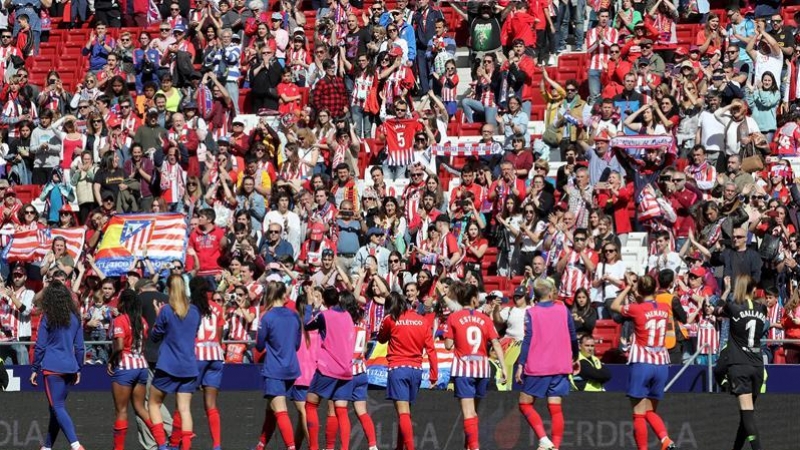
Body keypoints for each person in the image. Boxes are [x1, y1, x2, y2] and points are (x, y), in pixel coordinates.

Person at [610, 274, 677, 450]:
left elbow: (614, 305)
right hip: (662, 363)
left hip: (642, 362)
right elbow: (650, 303)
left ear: (639, 290)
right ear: (655, 289)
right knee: (650, 411)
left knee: (638, 414)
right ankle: (665, 440)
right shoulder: (663, 307)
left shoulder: (636, 309)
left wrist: (627, 288)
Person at [516, 279, 577, 450]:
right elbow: (573, 335)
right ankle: (555, 446)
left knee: (525, 403)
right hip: (560, 365)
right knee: (556, 408)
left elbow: (527, 340)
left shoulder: (531, 313)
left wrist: (521, 364)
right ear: (550, 293)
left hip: (538, 366)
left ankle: (544, 439)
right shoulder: (563, 309)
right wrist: (576, 356)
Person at [445, 281, 507, 450]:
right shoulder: (485, 319)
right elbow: (496, 344)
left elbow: (448, 345)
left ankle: (474, 447)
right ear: (473, 300)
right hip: (482, 370)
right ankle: (469, 446)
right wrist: (503, 367)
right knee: (474, 413)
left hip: (463, 369)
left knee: (468, 413)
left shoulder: (453, 317)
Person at [168, 278, 225, 450]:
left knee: (182, 403)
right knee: (211, 404)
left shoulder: (189, 308)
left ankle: (178, 443)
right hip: (215, 354)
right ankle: (216, 445)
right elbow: (220, 335)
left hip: (196, 355)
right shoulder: (218, 308)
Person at [146, 275, 202, 450]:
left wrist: (157, 317)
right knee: (184, 409)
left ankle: (162, 445)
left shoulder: (166, 311)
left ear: (168, 289)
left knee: (153, 403)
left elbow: (154, 336)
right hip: (189, 366)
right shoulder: (194, 311)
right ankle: (184, 447)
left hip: (168, 366)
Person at [377, 292, 438, 450]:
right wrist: (433, 375)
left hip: (398, 368)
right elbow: (431, 349)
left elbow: (381, 338)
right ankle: (399, 448)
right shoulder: (422, 321)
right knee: (405, 414)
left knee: (403, 413)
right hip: (416, 370)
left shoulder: (391, 319)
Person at [30, 281, 86, 450]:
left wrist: (34, 369)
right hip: (69, 367)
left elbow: (40, 346)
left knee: (57, 407)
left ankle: (76, 446)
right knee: (55, 408)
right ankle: (47, 447)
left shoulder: (47, 316)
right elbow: (80, 347)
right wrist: (79, 369)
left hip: (52, 367)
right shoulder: (76, 317)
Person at [716, 275, 767, 450]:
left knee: (747, 416)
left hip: (739, 365)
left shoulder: (733, 307)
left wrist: (727, 291)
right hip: (758, 365)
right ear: (753, 289)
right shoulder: (762, 309)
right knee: (746, 416)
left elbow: (716, 309)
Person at [303, 287, 356, 450]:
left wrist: (309, 305)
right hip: (346, 370)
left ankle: (314, 447)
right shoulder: (348, 316)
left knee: (310, 405)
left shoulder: (325, 316)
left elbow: (307, 324)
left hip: (328, 368)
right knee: (341, 410)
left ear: (325, 301)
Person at [253, 281, 301, 450]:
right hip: (292, 368)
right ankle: (260, 445)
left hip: (275, 369)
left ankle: (290, 446)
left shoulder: (267, 317)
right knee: (271, 409)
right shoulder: (295, 315)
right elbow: (297, 344)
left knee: (280, 410)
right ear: (284, 296)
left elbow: (259, 345)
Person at [108, 289, 152, 450]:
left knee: (121, 410)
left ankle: (118, 448)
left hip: (126, 367)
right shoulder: (142, 321)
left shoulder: (120, 320)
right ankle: (162, 442)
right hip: (141, 366)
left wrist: (111, 361)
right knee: (141, 408)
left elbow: (119, 346)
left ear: (123, 303)